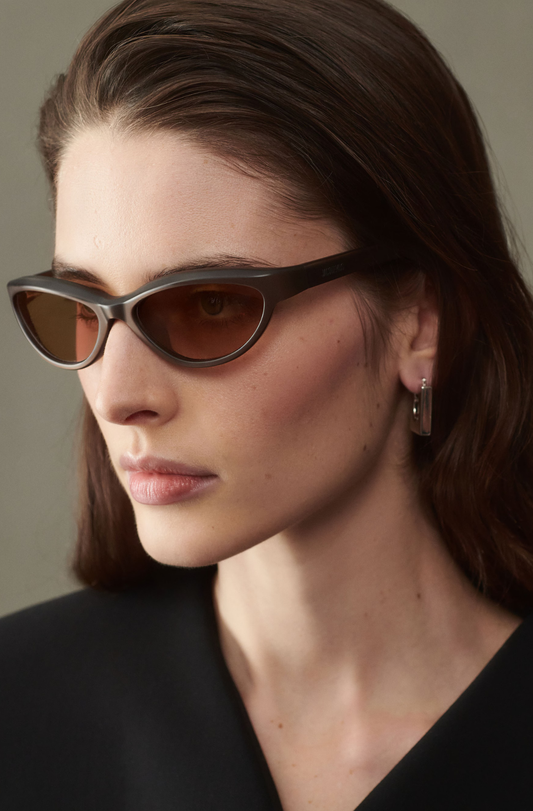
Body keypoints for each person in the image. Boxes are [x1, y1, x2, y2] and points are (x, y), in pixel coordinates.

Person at [3, 0, 533, 808]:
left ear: (419, 321)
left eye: (210, 304)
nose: (117, 394)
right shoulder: (18, 714)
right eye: (81, 307)